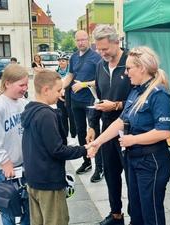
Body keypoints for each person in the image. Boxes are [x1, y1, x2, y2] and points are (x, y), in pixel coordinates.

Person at [87, 46, 170, 225]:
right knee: (136, 210)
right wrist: (97, 142)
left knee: (151, 213)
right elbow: (120, 121)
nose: (126, 73)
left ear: (142, 68)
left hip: (152, 162)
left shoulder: (159, 94)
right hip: (135, 159)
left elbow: (164, 131)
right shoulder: (136, 91)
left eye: (128, 68)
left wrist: (133, 139)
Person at [21, 70, 89, 225]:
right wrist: (84, 149)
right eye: (58, 90)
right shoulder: (46, 115)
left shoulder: (30, 111)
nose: (61, 94)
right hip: (48, 183)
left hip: (33, 180)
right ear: (45, 90)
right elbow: (57, 150)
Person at [86, 24, 134, 225]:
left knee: (132, 178)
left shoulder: (132, 61)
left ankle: (136, 216)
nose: (102, 53)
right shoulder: (100, 65)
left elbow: (140, 97)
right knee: (111, 174)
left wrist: (116, 105)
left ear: (117, 42)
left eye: (105, 49)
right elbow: (98, 99)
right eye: (98, 49)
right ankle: (116, 215)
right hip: (107, 130)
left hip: (129, 130)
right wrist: (92, 126)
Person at [0, 64, 30, 225]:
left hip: (20, 164)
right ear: (7, 84)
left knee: (27, 203)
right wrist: (4, 161)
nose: (25, 88)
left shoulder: (22, 103)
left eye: (26, 84)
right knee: (9, 205)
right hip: (3, 168)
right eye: (21, 85)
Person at [62, 30, 104, 182]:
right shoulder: (73, 57)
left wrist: (84, 85)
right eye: (78, 40)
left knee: (94, 132)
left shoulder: (96, 57)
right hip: (75, 100)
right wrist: (62, 87)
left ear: (88, 40)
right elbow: (71, 75)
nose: (81, 43)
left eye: (83, 40)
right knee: (80, 132)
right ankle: (86, 162)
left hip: (90, 100)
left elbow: (101, 80)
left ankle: (100, 167)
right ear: (75, 41)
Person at [56, 53, 78, 146]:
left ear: (67, 62)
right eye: (60, 61)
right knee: (62, 117)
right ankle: (64, 136)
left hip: (69, 95)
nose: (61, 62)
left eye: (63, 61)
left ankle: (73, 136)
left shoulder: (71, 73)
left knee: (71, 117)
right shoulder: (56, 72)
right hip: (60, 97)